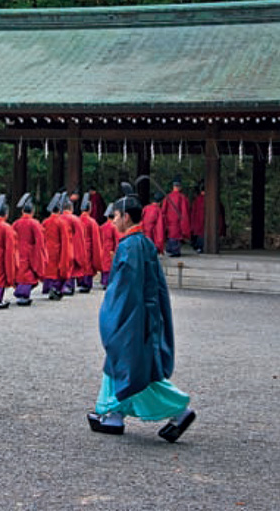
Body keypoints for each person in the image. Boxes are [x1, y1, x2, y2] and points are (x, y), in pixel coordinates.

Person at [87, 183, 196, 442]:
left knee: (134, 370)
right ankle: (110, 410)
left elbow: (123, 293)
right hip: (146, 316)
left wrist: (111, 319)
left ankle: (179, 408)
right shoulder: (144, 244)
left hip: (133, 319)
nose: (112, 221)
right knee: (120, 364)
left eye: (114, 216)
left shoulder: (128, 247)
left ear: (125, 216)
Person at [12, 194, 48, 306]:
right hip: (30, 252)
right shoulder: (35, 223)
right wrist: (41, 255)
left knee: (20, 272)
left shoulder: (15, 223)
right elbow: (40, 241)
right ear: (32, 212)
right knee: (28, 275)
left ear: (22, 211)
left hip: (17, 251)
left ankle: (20, 293)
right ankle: (23, 295)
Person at [41, 193, 73, 301]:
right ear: (59, 211)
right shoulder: (61, 222)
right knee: (57, 272)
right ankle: (56, 289)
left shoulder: (45, 222)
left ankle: (49, 288)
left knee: (49, 271)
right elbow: (65, 240)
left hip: (46, 250)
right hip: (57, 251)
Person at [189, 180, 226, 254]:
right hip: (210, 225)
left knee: (200, 236)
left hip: (199, 224)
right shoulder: (214, 200)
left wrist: (192, 226)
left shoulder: (197, 200)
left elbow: (193, 213)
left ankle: (200, 248)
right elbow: (221, 213)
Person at [60, 196, 86, 296]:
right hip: (71, 246)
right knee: (71, 267)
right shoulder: (75, 220)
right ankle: (69, 286)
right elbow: (79, 237)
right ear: (71, 208)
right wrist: (80, 255)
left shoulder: (58, 218)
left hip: (59, 248)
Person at [77, 193, 103, 293]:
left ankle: (79, 282)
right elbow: (96, 240)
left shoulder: (77, 220)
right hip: (88, 247)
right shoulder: (92, 222)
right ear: (90, 209)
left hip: (78, 247)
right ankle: (86, 284)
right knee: (88, 266)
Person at [161, 175, 190, 257]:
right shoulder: (182, 198)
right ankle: (175, 251)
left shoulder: (167, 197)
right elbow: (185, 213)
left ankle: (170, 250)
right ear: (180, 186)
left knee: (171, 237)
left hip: (169, 223)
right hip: (178, 223)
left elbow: (163, 212)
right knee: (176, 238)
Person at [98, 204, 120, 290]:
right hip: (110, 249)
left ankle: (104, 281)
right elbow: (117, 240)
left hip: (103, 248)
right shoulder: (114, 227)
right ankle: (108, 282)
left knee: (104, 266)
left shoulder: (102, 227)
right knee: (110, 266)